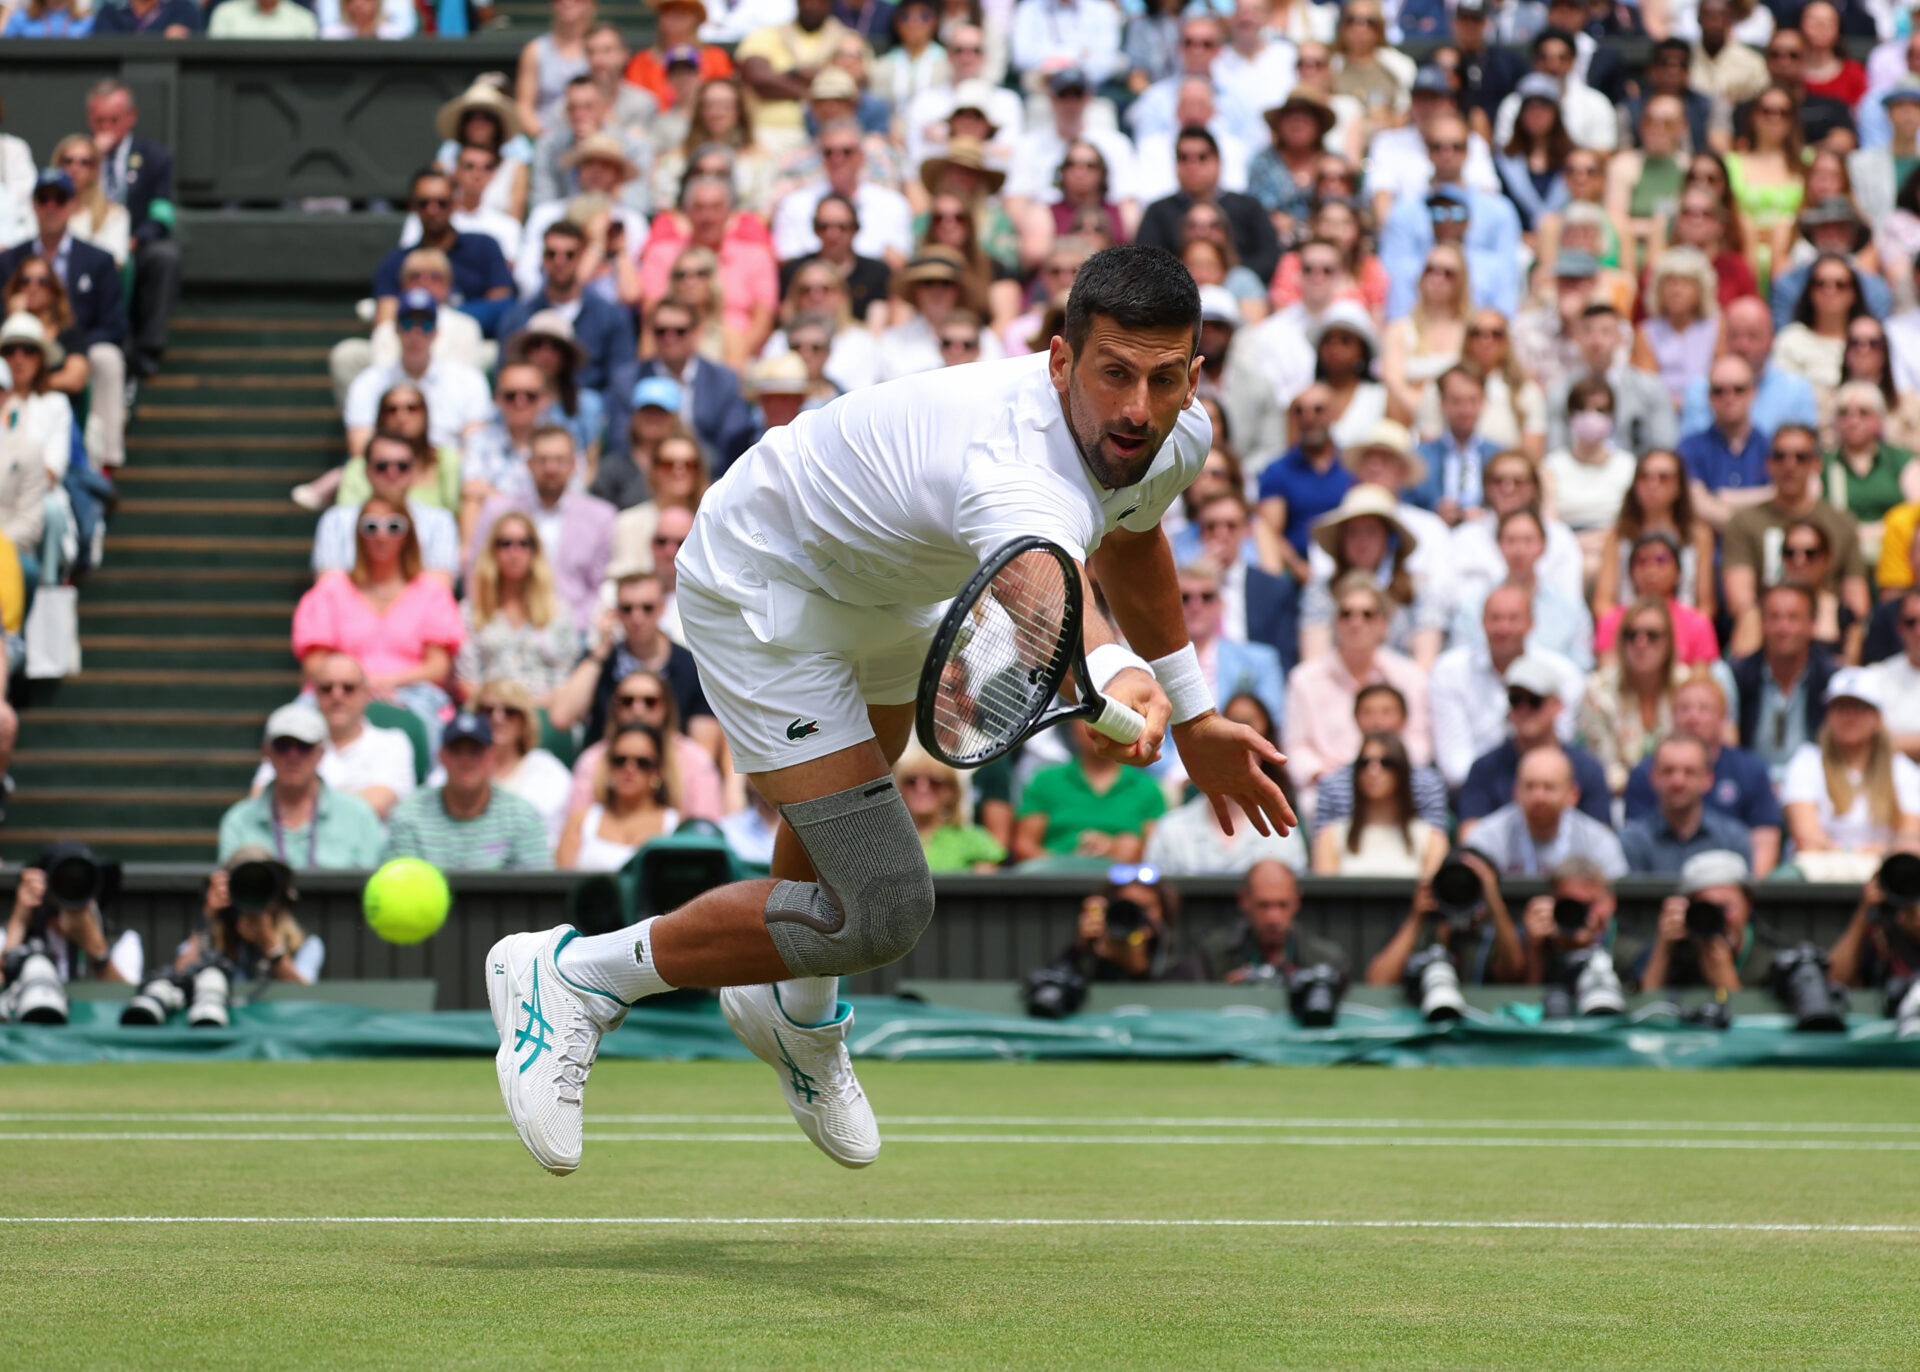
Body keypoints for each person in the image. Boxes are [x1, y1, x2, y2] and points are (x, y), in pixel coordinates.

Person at [482, 246, 1292, 1176]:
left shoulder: (1169, 432)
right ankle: (573, 977)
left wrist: (1193, 716)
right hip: (769, 582)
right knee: (879, 906)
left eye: (1161, 378)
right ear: (1062, 359)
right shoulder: (1013, 467)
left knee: (825, 890)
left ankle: (788, 1011)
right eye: (1112, 373)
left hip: (898, 593)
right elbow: (1051, 591)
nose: (1136, 407)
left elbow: (1135, 534)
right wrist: (1117, 671)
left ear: (1194, 376)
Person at [291, 496, 463, 745]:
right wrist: (356, 686)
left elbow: (437, 667)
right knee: (292, 725)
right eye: (371, 526)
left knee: (435, 728)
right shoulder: (330, 591)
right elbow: (315, 664)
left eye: (394, 526)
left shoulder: (432, 593)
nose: (382, 535)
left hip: (413, 695)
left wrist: (382, 683)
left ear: (408, 535)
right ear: (359, 535)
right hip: (338, 691)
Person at [1284, 573, 1433, 806]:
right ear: (1335, 621)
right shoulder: (1304, 679)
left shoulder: (1410, 676)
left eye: (1367, 614)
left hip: (1396, 787)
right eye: (1346, 614)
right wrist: (1325, 774)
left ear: (1384, 624)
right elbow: (1295, 749)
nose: (1356, 622)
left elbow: (1420, 743)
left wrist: (1385, 771)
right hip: (1329, 791)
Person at [1723, 425, 1870, 658]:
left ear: (1816, 465)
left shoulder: (1841, 523)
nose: (1790, 465)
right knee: (1750, 616)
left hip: (1827, 624)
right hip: (1766, 626)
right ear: (1769, 464)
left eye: (1800, 457)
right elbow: (1740, 599)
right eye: (1781, 456)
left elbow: (1857, 600)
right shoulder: (1744, 522)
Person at [1623, 675, 1783, 876]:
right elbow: (1635, 844)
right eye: (1684, 708)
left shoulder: (1750, 770)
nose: (1693, 717)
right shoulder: (1644, 772)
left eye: (1704, 708)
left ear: (1723, 717)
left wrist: (1746, 895)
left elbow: (1763, 846)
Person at [466, 427, 616, 633]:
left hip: (577, 629)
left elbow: (601, 586)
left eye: (559, 460)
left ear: (574, 465)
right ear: (529, 464)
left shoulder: (602, 517)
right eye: (543, 460)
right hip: (505, 630)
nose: (551, 468)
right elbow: (478, 572)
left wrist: (568, 627)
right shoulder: (498, 511)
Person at [1379, 114, 1524, 320]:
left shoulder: (1500, 211)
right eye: (1438, 146)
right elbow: (1393, 280)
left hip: (1481, 330)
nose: (1447, 154)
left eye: (1456, 146)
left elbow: (1509, 282)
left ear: (1468, 151)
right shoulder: (1403, 212)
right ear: (1427, 151)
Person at [248, 652, 417, 822]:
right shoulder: (292, 743)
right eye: (326, 688)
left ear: (366, 694)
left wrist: (297, 804)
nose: (337, 696)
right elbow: (259, 799)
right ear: (314, 696)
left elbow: (377, 805)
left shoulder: (393, 743)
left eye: (348, 688)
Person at [218, 704, 386, 868]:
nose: (293, 756)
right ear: (267, 752)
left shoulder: (358, 816)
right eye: (282, 745)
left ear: (321, 753)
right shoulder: (238, 821)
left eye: (304, 746)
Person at [1781, 668, 1920, 864]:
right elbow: (1806, 839)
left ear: (1877, 717)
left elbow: (1909, 841)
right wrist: (1874, 850)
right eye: (1840, 706)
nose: (1849, 715)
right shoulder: (1806, 761)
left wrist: (1843, 851)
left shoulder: (1902, 769)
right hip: (1817, 873)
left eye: (1859, 707)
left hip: (1884, 874)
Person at [1299, 485, 1445, 668]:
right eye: (1354, 532)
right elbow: (1313, 662)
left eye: (1371, 531)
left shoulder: (1418, 586)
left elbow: (1425, 664)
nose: (1362, 542)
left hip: (1402, 690)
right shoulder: (1321, 590)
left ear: (1388, 538)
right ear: (1341, 539)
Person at [456, 511, 579, 706]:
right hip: (490, 712)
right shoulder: (471, 611)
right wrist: (500, 710)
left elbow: (565, 678)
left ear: (535, 551)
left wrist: (528, 711)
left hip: (545, 712)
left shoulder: (557, 610)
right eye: (505, 543)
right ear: (492, 550)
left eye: (524, 543)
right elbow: (467, 680)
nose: (515, 551)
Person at [1133, 127, 1279, 283]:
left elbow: (1269, 257)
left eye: (1202, 157)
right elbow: (1144, 263)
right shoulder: (1158, 211)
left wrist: (1226, 274)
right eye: (1184, 158)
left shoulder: (1249, 206)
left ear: (1218, 161)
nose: (1192, 165)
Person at [312, 430, 461, 584]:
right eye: (382, 466)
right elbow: (327, 586)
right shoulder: (335, 520)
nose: (392, 472)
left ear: (414, 470)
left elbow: (441, 587)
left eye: (402, 466)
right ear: (366, 470)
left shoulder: (440, 521)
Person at [1012, 720, 1168, 864]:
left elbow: (1155, 853)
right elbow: (1024, 847)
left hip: (1121, 883)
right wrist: (1070, 864)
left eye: (1106, 718)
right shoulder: (1045, 781)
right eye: (1089, 719)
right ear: (1072, 727)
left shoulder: (1148, 789)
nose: (1098, 727)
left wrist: (1122, 849)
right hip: (1053, 885)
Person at [1576, 598, 1690, 796]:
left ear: (1669, 642)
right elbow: (1603, 767)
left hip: (1682, 793)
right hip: (1618, 799)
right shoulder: (1598, 691)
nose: (1641, 643)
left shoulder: (1687, 687)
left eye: (1652, 635)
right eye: (1631, 635)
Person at [1365, 848, 1524, 988]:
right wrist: (1416, 918)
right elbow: (1378, 982)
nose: (1461, 891)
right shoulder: (1421, 929)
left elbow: (1514, 972)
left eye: (1472, 887)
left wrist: (1492, 896)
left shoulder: (1490, 936)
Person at [1731, 581, 1839, 784]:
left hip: (1816, 787)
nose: (1783, 627)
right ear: (1762, 623)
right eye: (1774, 617)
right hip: (1751, 788)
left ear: (1812, 624)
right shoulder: (1738, 676)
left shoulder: (1832, 680)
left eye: (1793, 618)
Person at [1465, 745, 1628, 879]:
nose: (1538, 796)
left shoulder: (1598, 842)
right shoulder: (1488, 837)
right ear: (1515, 791)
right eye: (1529, 786)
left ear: (1573, 794)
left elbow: (1615, 901)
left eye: (1549, 787)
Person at [1676, 296, 1818, 449]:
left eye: (1752, 336)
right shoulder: (1701, 388)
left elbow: (1804, 453)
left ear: (1770, 339)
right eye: (1735, 335)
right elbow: (1692, 450)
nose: (1742, 345)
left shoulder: (1796, 389)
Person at [1594, 450, 1717, 624]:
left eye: (1663, 477)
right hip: (1629, 631)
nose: (1653, 484)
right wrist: (1631, 631)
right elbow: (1602, 604)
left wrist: (1684, 633)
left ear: (1679, 485)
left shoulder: (1699, 535)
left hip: (1684, 631)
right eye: (1644, 477)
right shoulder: (1616, 536)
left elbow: (1706, 606)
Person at [1631, 849, 1769, 992]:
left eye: (1726, 907)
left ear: (1748, 903)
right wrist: (1663, 948)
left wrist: (1726, 981)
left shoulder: (1770, 958)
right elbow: (1646, 1005)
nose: (1721, 918)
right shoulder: (1677, 950)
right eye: (1708, 909)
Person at [1311, 732, 1447, 876]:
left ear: (1402, 770)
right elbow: (1326, 896)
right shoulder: (1330, 837)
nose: (1373, 770)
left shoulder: (1432, 839)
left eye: (1386, 763)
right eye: (1364, 763)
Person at [1622, 734, 1756, 873]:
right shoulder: (1632, 842)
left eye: (1689, 772)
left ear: (1708, 779)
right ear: (1653, 777)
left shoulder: (1733, 840)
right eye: (1668, 771)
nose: (1678, 781)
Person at [557, 722, 680, 871]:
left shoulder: (675, 825)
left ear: (657, 771)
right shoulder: (581, 820)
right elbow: (561, 883)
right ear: (609, 766)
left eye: (642, 763)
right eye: (620, 760)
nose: (629, 768)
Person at [470, 678, 576, 848]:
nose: (497, 718)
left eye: (510, 711)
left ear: (525, 721)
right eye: (487, 710)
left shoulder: (549, 771)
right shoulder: (457, 764)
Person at [1204, 860, 1345, 983]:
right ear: (1244, 900)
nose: (1273, 918)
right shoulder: (1212, 955)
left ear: (1297, 901)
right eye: (1263, 905)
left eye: (1283, 905)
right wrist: (1223, 994)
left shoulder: (1326, 959)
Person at [1594, 531, 1721, 666]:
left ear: (1678, 572)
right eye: (1642, 562)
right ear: (1630, 573)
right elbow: (1607, 675)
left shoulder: (1698, 623)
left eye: (1661, 560)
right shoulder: (1611, 622)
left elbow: (1701, 678)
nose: (1651, 570)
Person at [1411, 365, 1503, 526]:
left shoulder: (1500, 456)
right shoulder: (1419, 457)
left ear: (1483, 402)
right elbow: (1406, 509)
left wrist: (1488, 517)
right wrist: (1434, 516)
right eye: (1456, 401)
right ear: (1442, 403)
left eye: (1473, 400)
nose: (1465, 409)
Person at [895, 743, 1004, 872]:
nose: (922, 788)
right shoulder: (883, 842)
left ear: (952, 792)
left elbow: (988, 888)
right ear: (899, 788)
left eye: (935, 782)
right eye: (911, 781)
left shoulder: (974, 841)